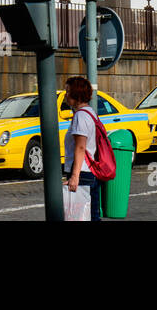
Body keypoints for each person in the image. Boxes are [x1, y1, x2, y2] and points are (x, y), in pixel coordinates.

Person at [62, 75, 101, 221]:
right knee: (91, 215)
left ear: (76, 95)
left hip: (82, 173)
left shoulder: (81, 116)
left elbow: (80, 147)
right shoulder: (90, 113)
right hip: (89, 171)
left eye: (68, 91)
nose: (65, 95)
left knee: (82, 216)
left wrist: (74, 176)